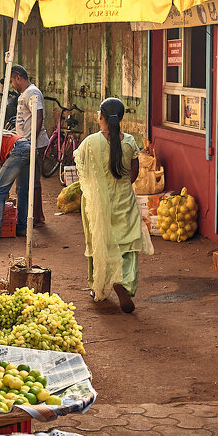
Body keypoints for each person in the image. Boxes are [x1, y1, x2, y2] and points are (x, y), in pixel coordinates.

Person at [74, 97, 154, 313]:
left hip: (98, 203)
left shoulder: (91, 142)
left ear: (100, 117)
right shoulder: (129, 141)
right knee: (128, 247)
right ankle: (124, 284)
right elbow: (134, 171)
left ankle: (97, 286)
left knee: (96, 243)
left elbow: (79, 163)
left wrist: (93, 186)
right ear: (120, 118)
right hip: (124, 201)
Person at [10, 65, 49, 226]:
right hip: (25, 143)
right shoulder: (25, 94)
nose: (12, 85)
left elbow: (38, 117)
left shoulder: (32, 93)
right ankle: (31, 215)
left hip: (33, 144)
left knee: (33, 182)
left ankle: (38, 217)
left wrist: (32, 142)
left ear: (18, 77)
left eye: (12, 81)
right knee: (26, 181)